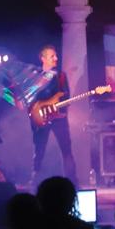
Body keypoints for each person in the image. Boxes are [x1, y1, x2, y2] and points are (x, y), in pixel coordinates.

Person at [27, 45, 77, 186]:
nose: (56, 58)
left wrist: (60, 107)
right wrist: (37, 111)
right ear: (43, 58)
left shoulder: (60, 76)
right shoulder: (34, 75)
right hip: (40, 118)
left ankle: (72, 181)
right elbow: (29, 97)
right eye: (52, 56)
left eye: (56, 55)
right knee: (39, 150)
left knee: (66, 149)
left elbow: (66, 95)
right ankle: (35, 182)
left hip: (58, 118)